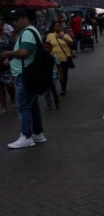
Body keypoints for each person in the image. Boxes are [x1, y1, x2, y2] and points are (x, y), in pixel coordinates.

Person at [2, 8, 47, 149]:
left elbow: (24, 52)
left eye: (16, 20)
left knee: (23, 107)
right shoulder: (29, 32)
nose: (13, 23)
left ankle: (26, 136)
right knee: (32, 106)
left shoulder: (28, 32)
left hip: (24, 75)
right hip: (27, 74)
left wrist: (8, 53)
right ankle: (37, 134)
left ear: (24, 18)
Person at [46, 21, 74, 96]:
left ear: (61, 27)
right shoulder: (50, 35)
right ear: (53, 27)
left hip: (64, 58)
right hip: (53, 59)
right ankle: (54, 89)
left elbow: (71, 43)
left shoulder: (65, 35)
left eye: (59, 26)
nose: (57, 27)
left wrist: (63, 38)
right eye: (55, 26)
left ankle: (63, 88)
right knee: (54, 75)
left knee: (63, 74)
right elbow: (47, 46)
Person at [0, 14, 16, 114]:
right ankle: (4, 106)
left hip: (6, 65)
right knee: (0, 87)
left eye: (0, 25)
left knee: (10, 85)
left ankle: (13, 99)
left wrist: (9, 59)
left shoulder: (8, 37)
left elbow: (13, 49)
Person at [41, 42, 61, 111]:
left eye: (47, 48)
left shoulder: (53, 56)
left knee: (54, 90)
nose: (46, 49)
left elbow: (58, 65)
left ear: (51, 49)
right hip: (44, 77)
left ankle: (57, 101)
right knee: (46, 92)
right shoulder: (41, 57)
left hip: (53, 76)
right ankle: (49, 104)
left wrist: (61, 75)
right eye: (44, 48)